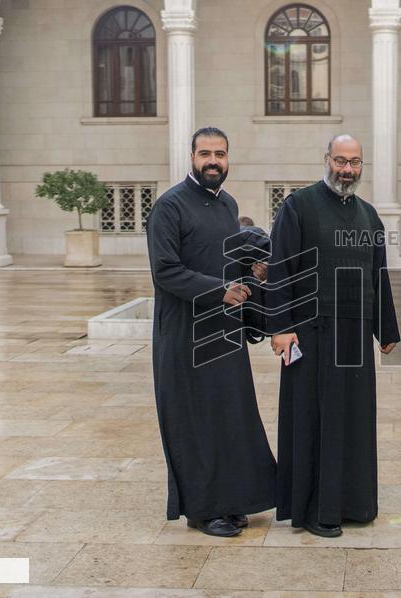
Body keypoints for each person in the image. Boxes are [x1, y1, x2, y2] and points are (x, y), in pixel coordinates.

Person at [266, 134, 401, 538]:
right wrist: (281, 327)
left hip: (355, 336)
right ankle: (315, 511)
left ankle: (353, 505)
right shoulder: (299, 206)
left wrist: (386, 328)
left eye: (355, 162)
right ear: (327, 160)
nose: (347, 169)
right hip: (310, 334)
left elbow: (378, 272)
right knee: (315, 421)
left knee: (354, 421)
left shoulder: (369, 215)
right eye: (340, 161)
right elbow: (279, 268)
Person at [146, 126, 276, 537]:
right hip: (185, 333)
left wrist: (250, 272)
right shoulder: (169, 207)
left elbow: (227, 262)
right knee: (196, 420)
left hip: (225, 332)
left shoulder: (228, 204)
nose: (213, 161)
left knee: (229, 417)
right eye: (205, 153)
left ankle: (232, 502)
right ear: (192, 157)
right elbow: (166, 271)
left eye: (220, 153)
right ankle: (204, 510)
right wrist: (219, 291)